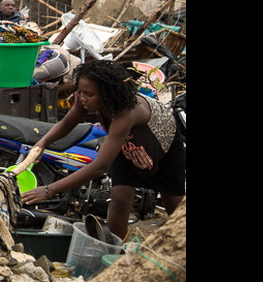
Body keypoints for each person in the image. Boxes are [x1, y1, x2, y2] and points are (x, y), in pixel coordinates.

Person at [20, 60, 185, 239]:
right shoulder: (86, 101)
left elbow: (100, 166)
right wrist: (42, 143)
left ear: (108, 94)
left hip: (162, 148)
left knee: (174, 205)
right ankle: (113, 250)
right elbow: (67, 122)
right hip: (127, 147)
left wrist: (49, 190)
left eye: (89, 94)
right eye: (80, 92)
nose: (82, 98)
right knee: (120, 198)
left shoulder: (128, 113)